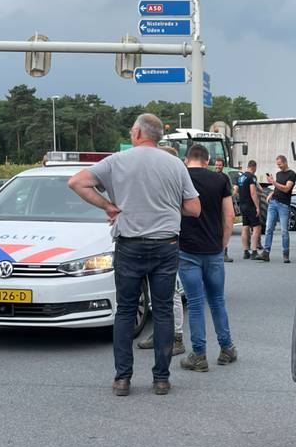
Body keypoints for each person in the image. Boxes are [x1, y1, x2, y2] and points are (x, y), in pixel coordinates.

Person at [68, 114, 199, 397]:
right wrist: (168, 206)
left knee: (126, 311)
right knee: (163, 310)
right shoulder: (175, 164)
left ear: (138, 133)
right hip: (165, 245)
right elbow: (194, 208)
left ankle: (123, 378)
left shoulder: (117, 161)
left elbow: (77, 182)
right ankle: (161, 379)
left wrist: (108, 206)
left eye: (131, 130)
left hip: (130, 245)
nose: (130, 134)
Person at [177, 144, 237, 372]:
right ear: (208, 160)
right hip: (213, 249)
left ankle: (199, 355)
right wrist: (223, 243)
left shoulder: (180, 178)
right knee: (217, 301)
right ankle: (227, 348)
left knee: (195, 304)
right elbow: (229, 215)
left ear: (186, 159)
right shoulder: (220, 179)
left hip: (188, 250)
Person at [137, 145, 187, 357]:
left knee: (171, 293)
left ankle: (176, 337)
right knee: (155, 292)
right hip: (155, 241)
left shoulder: (177, 182)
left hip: (170, 242)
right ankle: (159, 332)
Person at [259, 155, 296, 263]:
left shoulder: (292, 174)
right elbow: (277, 188)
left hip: (284, 205)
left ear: (285, 162)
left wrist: (273, 182)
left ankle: (285, 254)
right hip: (273, 203)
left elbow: (286, 189)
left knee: (284, 231)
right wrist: (271, 194)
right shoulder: (278, 174)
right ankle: (266, 253)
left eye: (280, 164)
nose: (278, 166)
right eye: (277, 164)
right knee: (268, 228)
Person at [237, 160, 263, 260]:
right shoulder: (252, 177)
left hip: (242, 205)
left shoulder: (241, 177)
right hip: (250, 205)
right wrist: (257, 207)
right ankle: (254, 251)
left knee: (245, 227)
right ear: (254, 167)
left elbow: (237, 190)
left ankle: (245, 251)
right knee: (257, 228)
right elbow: (253, 193)